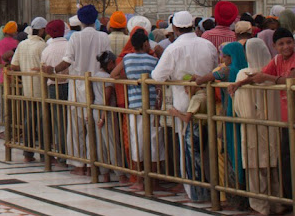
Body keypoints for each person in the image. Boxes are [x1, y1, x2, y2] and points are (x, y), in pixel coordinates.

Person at [151, 11, 218, 197]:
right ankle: (212, 187)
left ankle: (193, 190)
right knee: (207, 143)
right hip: (208, 98)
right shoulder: (207, 44)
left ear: (174, 28)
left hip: (184, 101)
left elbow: (157, 76)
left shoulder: (174, 48)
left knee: (187, 146)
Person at [42, 5, 110, 175]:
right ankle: (97, 164)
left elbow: (67, 61)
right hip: (98, 85)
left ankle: (80, 164)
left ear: (80, 20)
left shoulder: (75, 38)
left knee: (77, 127)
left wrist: (53, 70)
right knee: (96, 127)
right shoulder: (103, 37)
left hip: (79, 85)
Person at [229, 27, 295, 200]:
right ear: (274, 46)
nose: (286, 46)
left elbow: (290, 80)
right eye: (281, 44)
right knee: (287, 162)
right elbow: (261, 74)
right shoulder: (277, 60)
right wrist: (240, 84)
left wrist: (268, 79)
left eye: (289, 42)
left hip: (292, 118)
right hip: (286, 119)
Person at [230, 38, 283, 216]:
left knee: (255, 167)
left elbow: (240, 107)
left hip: (252, 126)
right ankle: (277, 203)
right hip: (273, 124)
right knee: (273, 165)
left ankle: (261, 206)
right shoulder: (272, 74)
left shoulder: (244, 74)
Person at [196, 41, 248, 209]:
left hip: (230, 116)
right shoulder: (245, 69)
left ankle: (235, 198)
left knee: (231, 155)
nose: (223, 58)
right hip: (242, 115)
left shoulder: (227, 70)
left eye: (225, 55)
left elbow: (205, 79)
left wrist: (196, 79)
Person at [110, 29, 163, 191]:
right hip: (151, 106)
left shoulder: (127, 58)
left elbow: (113, 74)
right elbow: (159, 79)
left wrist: (129, 79)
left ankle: (139, 179)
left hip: (134, 106)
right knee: (153, 143)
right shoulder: (152, 60)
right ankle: (153, 179)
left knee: (136, 142)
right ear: (146, 44)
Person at [10, 17, 48, 162]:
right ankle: (45, 154)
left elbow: (14, 66)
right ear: (42, 30)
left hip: (27, 88)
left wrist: (26, 68)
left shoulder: (23, 44)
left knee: (29, 121)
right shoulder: (42, 46)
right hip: (41, 89)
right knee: (43, 121)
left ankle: (28, 153)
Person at [168, 78, 209, 202]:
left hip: (194, 132)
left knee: (193, 164)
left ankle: (197, 195)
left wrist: (176, 113)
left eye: (186, 87)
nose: (185, 91)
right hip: (202, 130)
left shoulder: (197, 98)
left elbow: (187, 118)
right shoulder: (206, 95)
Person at [92, 51, 125, 182]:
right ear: (110, 63)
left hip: (96, 109)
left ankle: (104, 173)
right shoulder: (108, 78)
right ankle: (120, 174)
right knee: (112, 143)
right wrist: (103, 117)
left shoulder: (96, 75)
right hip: (106, 112)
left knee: (101, 144)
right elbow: (107, 97)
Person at [40, 19, 69, 164]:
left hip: (54, 87)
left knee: (59, 122)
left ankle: (62, 154)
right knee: (71, 121)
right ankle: (72, 154)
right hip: (71, 86)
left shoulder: (47, 50)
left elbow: (45, 68)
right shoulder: (70, 46)